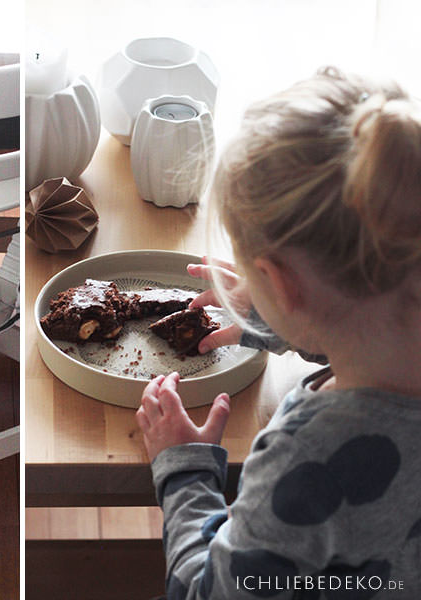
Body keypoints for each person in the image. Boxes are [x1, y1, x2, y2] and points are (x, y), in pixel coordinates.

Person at [136, 67, 421, 598]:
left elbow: (209, 592)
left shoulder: (310, 456)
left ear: (280, 284)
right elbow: (370, 330)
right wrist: (271, 316)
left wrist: (185, 471)